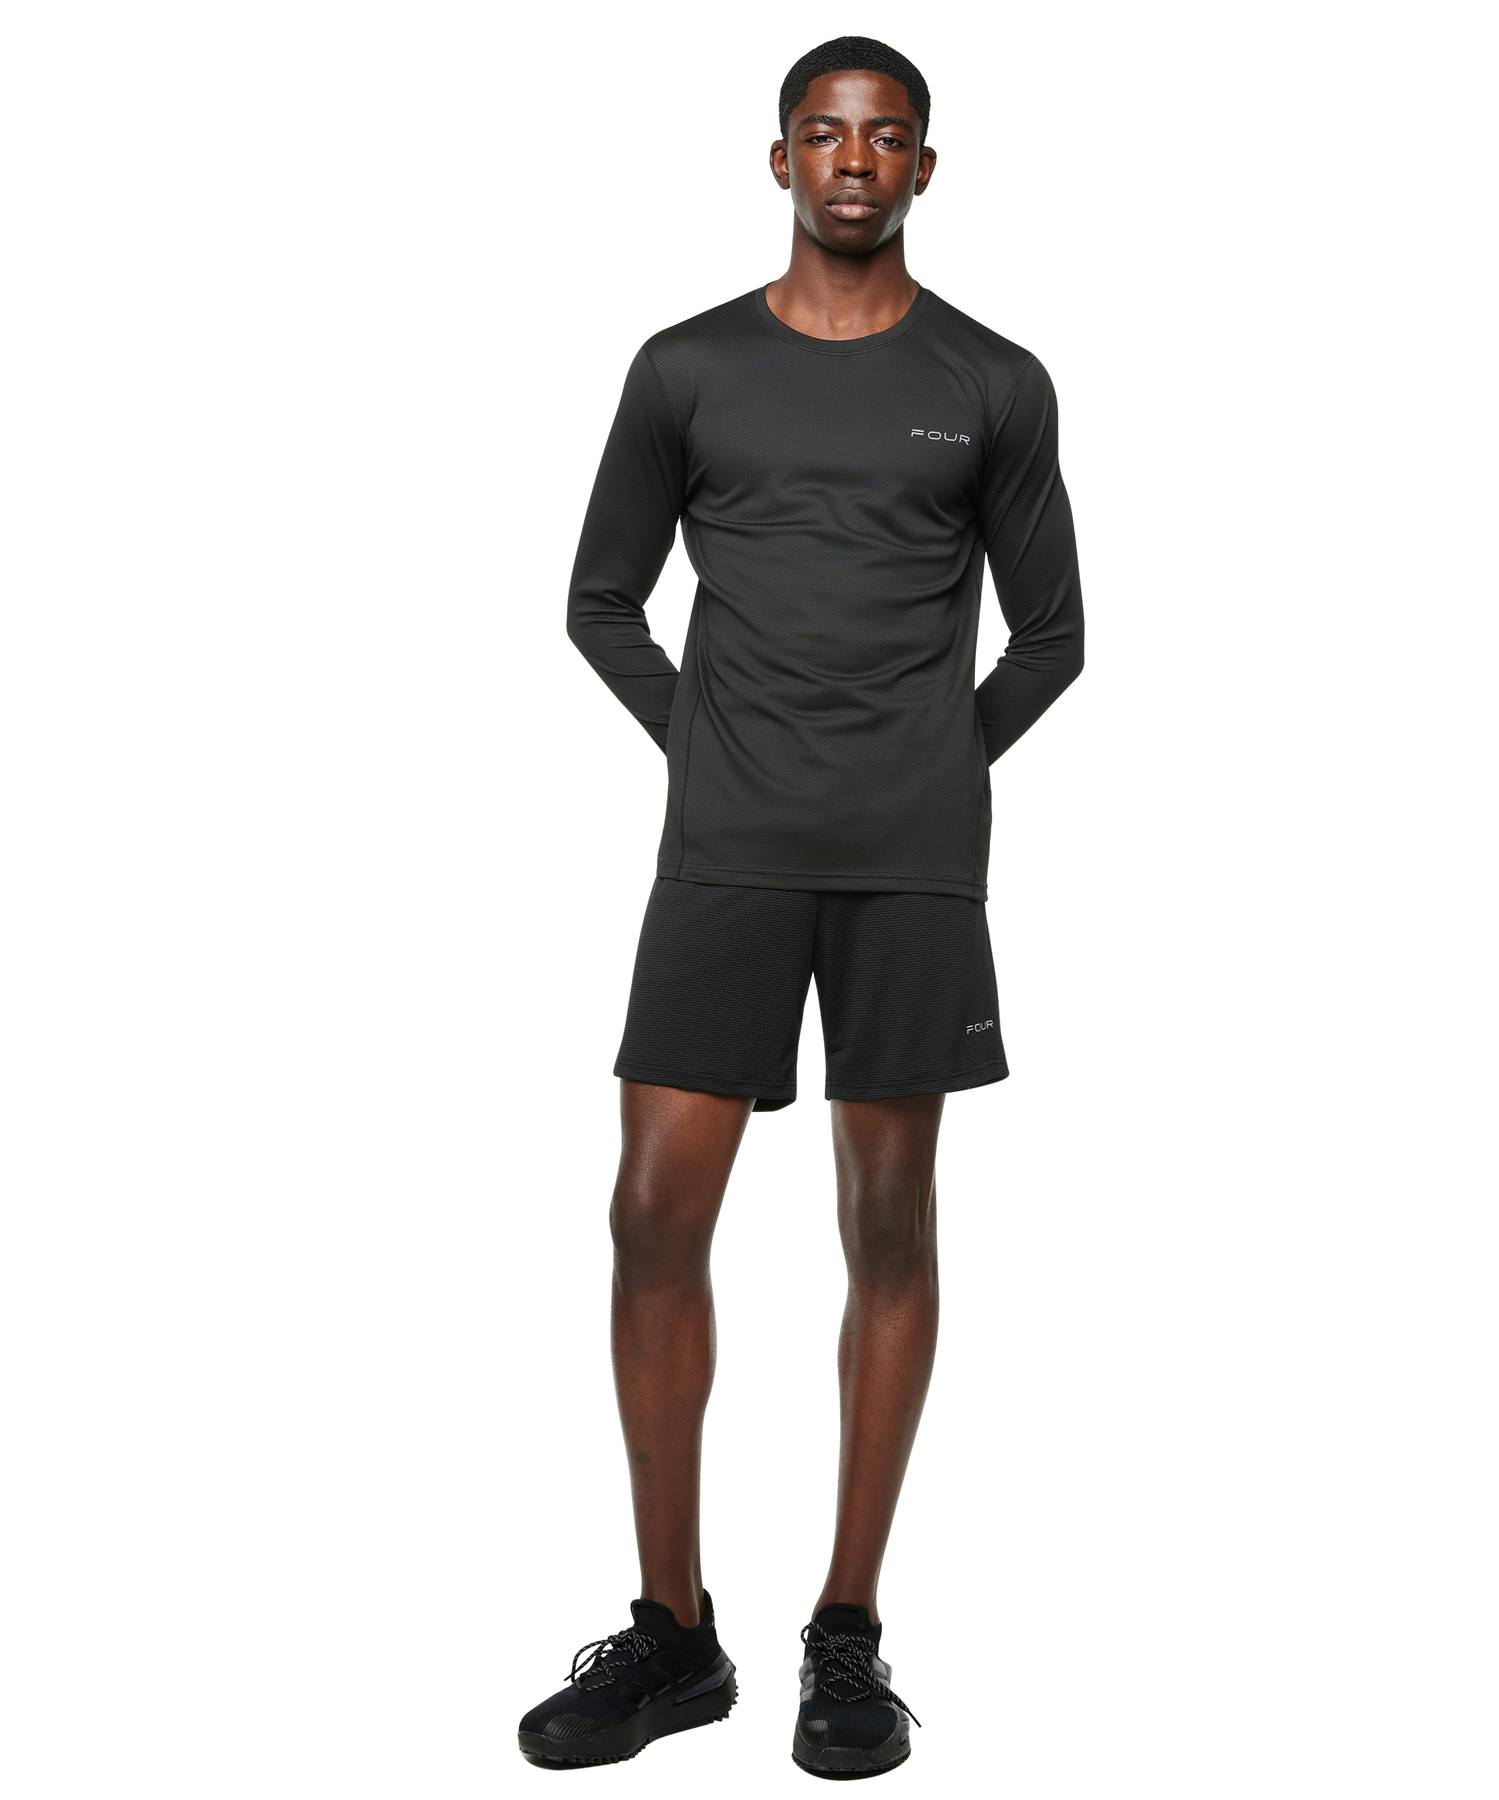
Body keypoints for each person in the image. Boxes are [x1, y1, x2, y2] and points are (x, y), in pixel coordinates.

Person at [516, 26, 1087, 1782]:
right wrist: (709, 739)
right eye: (825, 132)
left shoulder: (996, 378)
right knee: (651, 1214)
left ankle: (847, 1629)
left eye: (887, 134)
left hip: (912, 864)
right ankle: (672, 1627)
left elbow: (1055, 635)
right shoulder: (686, 366)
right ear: (778, 158)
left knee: (891, 1221)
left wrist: (940, 760)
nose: (854, 158)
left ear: (925, 167)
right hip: (726, 854)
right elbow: (599, 599)